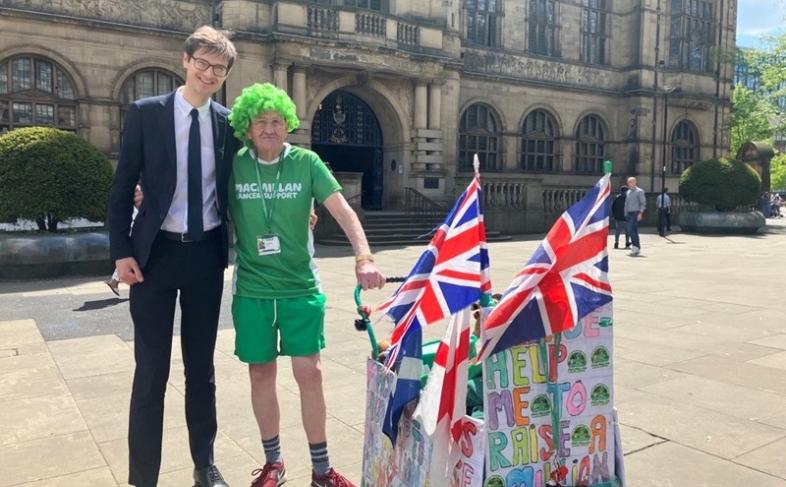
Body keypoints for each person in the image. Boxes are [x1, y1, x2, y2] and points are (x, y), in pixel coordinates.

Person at [226, 83, 385, 487]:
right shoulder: (233, 165)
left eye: (277, 121)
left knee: (309, 373)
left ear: (287, 125)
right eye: (260, 121)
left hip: (300, 289)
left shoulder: (306, 162)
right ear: (247, 126)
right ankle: (273, 464)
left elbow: (344, 211)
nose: (269, 128)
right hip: (253, 292)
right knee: (260, 375)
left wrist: (363, 257)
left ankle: (321, 469)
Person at [108, 26, 239, 487]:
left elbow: (251, 176)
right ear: (185, 61)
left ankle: (205, 466)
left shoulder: (228, 123)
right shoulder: (147, 113)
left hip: (205, 257)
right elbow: (123, 186)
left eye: (218, 67)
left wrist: (297, 205)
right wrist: (121, 251)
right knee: (151, 373)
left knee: (201, 371)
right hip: (154, 257)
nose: (208, 72)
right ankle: (142, 477)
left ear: (225, 75)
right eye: (202, 62)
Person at [624, 177, 646, 256]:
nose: (630, 183)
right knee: (633, 230)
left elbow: (643, 203)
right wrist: (625, 213)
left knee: (630, 229)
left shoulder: (639, 191)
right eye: (629, 182)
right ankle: (636, 247)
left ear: (635, 182)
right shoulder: (628, 192)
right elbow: (626, 204)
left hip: (636, 212)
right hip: (629, 213)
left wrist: (640, 213)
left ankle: (635, 246)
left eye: (631, 182)